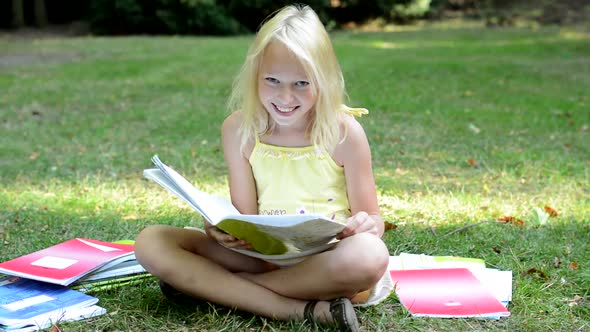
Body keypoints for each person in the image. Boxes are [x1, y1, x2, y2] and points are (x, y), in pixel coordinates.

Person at [134, 4, 389, 331]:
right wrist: (221, 229)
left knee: (369, 255)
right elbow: (244, 216)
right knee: (152, 241)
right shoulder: (239, 130)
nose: (285, 96)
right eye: (272, 80)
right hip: (260, 258)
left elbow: (374, 221)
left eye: (301, 83)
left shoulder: (343, 133)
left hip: (326, 262)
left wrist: (367, 226)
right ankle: (299, 310)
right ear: (254, 77)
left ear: (323, 81)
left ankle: (214, 289)